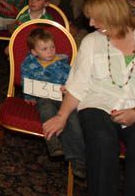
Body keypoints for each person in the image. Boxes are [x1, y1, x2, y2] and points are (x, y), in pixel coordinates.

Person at [43, 0, 135, 196]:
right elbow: (78, 85)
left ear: (114, 15)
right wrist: (61, 116)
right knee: (102, 141)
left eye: (96, 18)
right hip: (99, 105)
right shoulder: (92, 42)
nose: (91, 23)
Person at [21, 28, 86, 178]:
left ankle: (78, 158)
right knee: (45, 108)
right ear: (34, 52)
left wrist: (67, 88)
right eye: (44, 49)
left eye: (52, 47)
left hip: (62, 97)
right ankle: (53, 141)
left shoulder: (62, 64)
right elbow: (26, 78)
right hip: (43, 95)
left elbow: (72, 80)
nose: (50, 51)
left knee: (73, 119)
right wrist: (28, 94)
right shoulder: (29, 63)